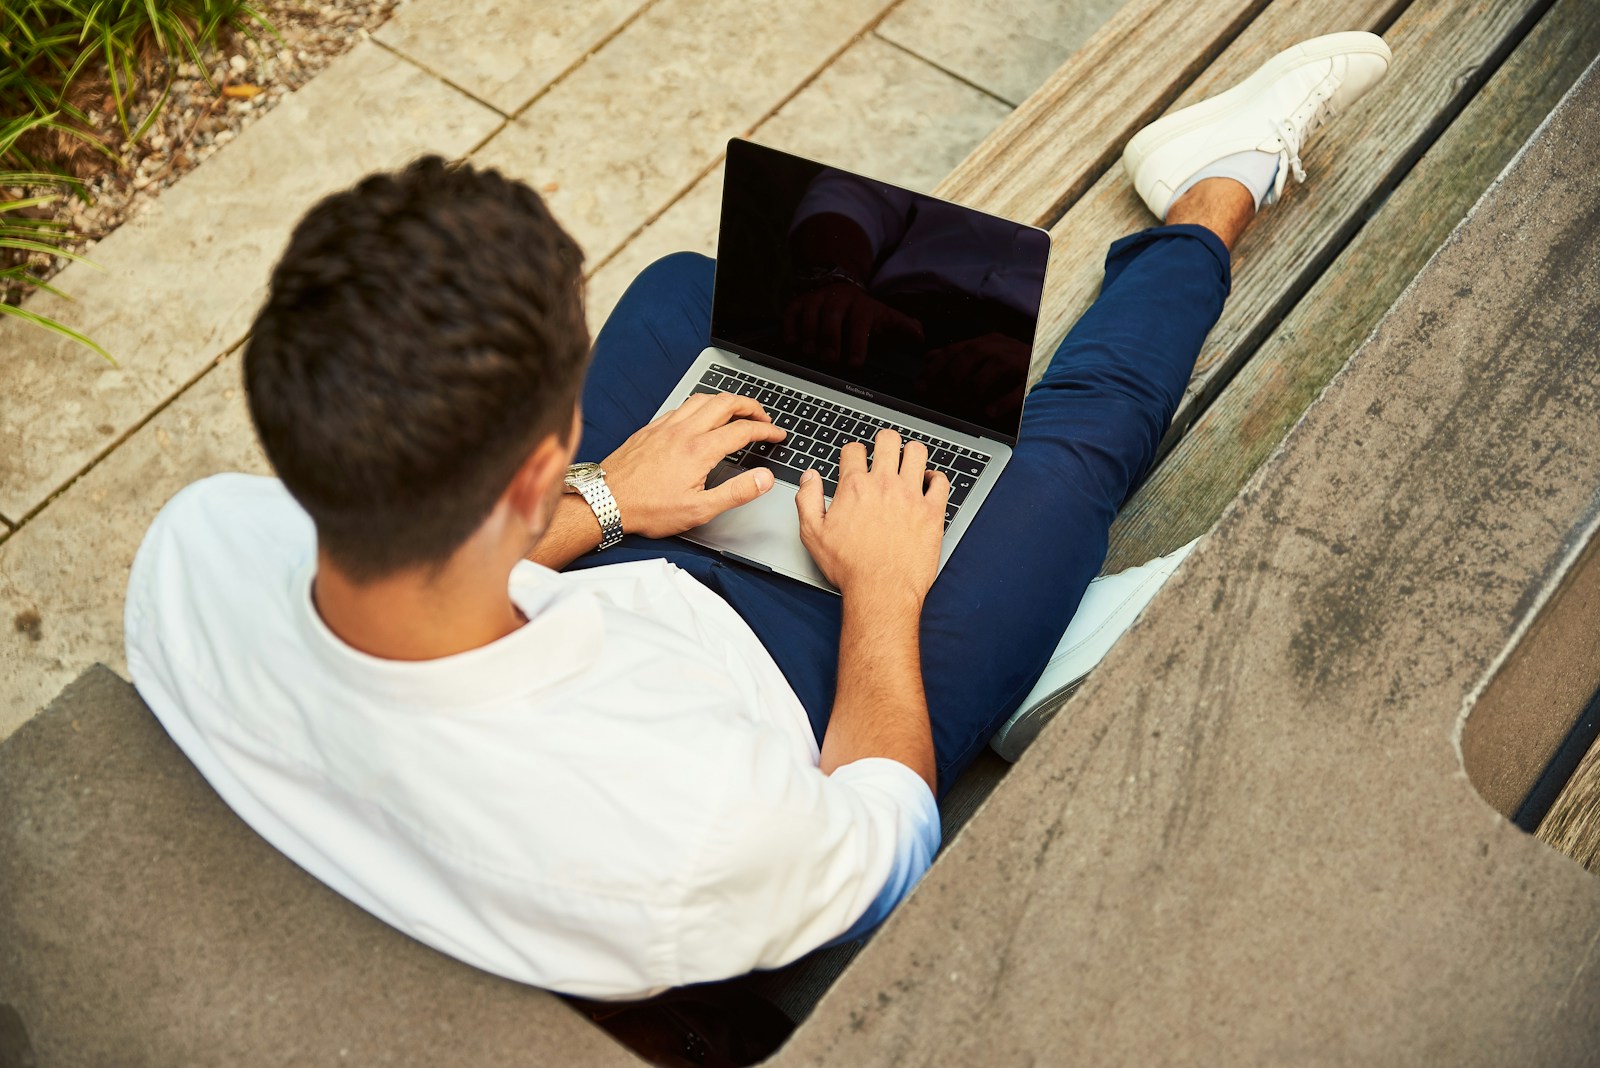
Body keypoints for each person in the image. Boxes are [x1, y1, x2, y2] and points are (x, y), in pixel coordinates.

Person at [124, 33, 1390, 1000]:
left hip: (600, 576)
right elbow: (884, 851)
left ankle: (1013, 590)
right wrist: (887, 589)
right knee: (1073, 442)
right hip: (805, 680)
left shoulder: (199, 550)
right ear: (523, 473)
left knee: (688, 300)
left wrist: (608, 498)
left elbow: (421, 592)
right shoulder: (692, 833)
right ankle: (1214, 188)